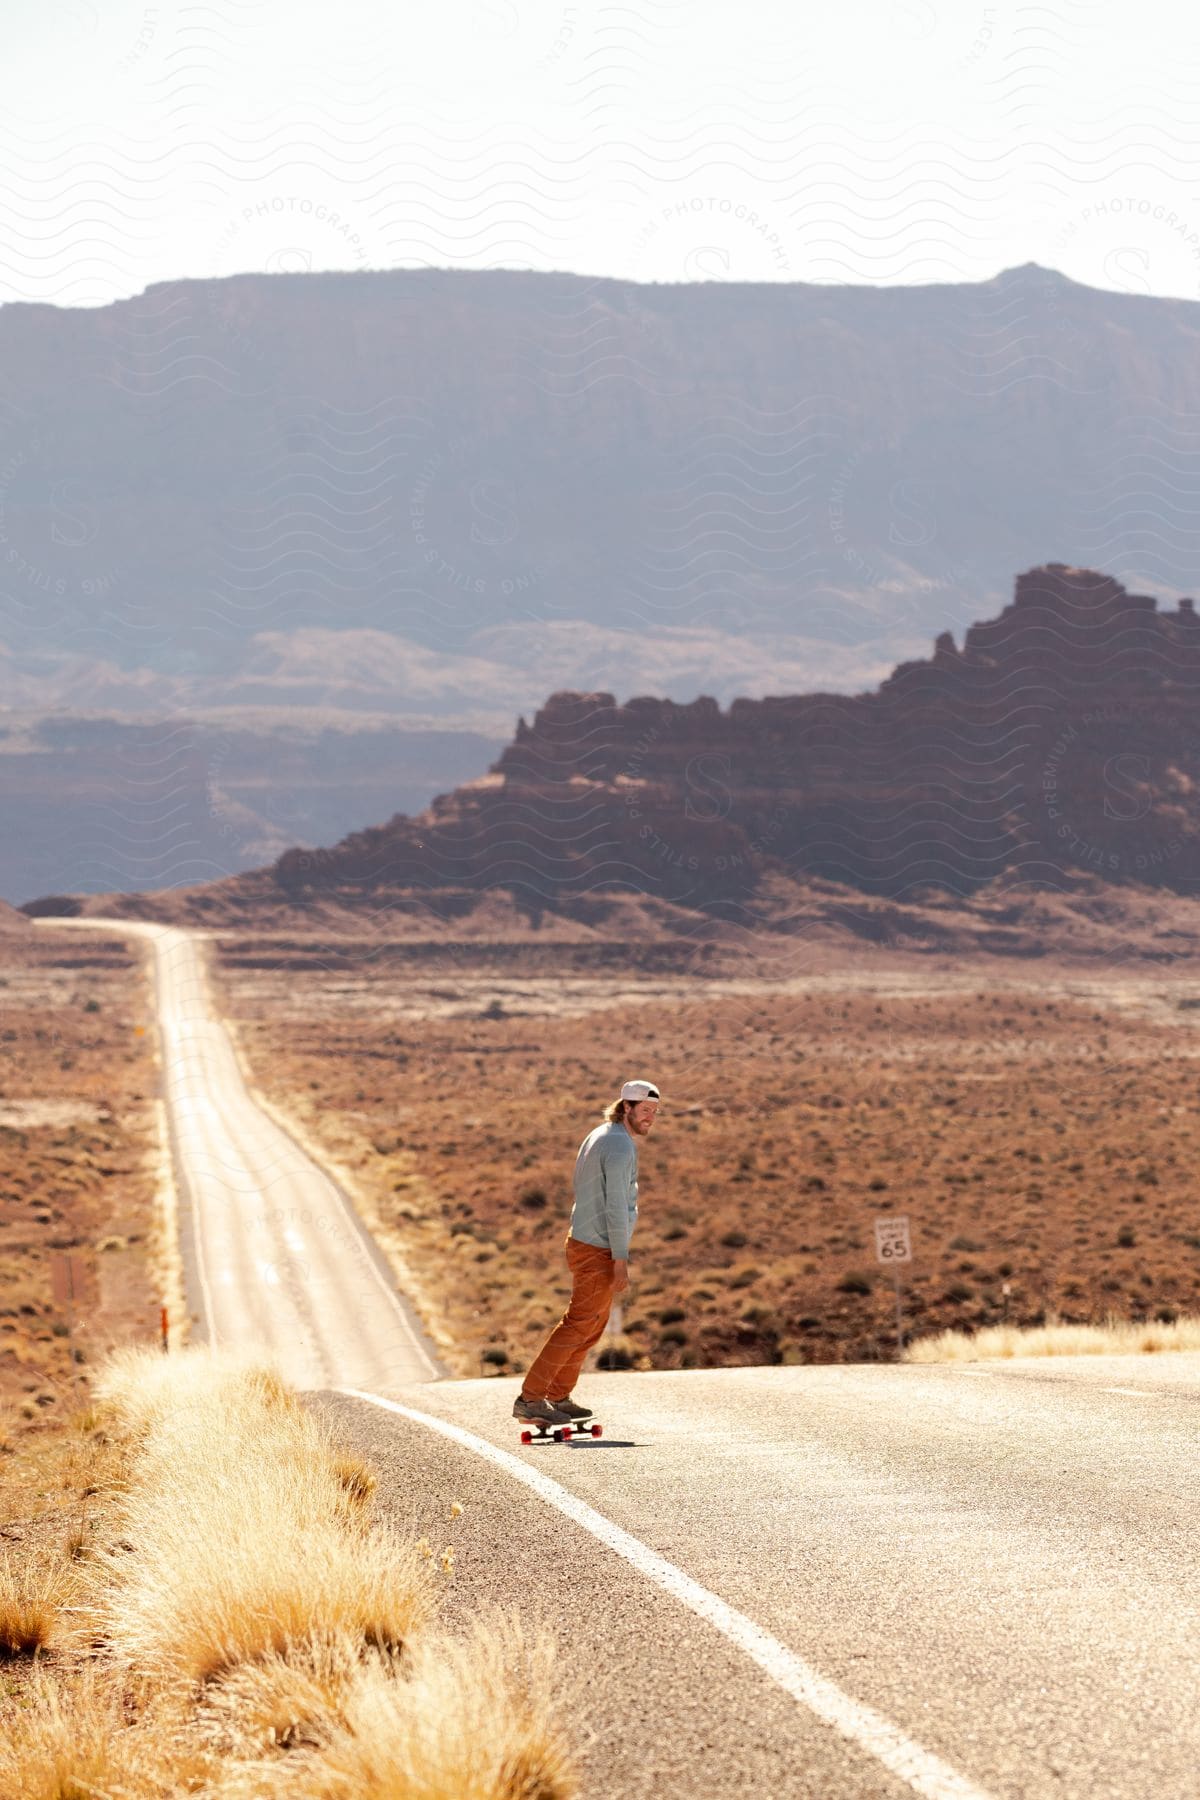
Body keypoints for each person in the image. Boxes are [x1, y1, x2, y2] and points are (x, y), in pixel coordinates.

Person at [513, 1078, 660, 1428]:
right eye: (645, 1111)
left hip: (584, 1239)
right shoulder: (621, 1147)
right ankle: (531, 1398)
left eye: (655, 1112)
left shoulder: (601, 1134)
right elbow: (615, 1207)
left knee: (590, 1326)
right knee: (579, 1324)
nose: (651, 1118)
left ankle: (558, 1395)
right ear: (626, 1107)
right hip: (599, 1247)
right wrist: (620, 1259)